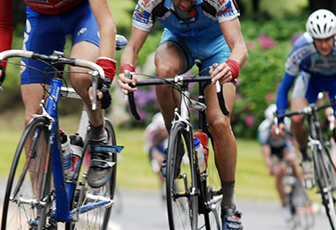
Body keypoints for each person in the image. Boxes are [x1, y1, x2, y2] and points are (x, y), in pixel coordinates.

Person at [117, 0, 248, 229]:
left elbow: (239, 47)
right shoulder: (150, 2)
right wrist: (127, 69)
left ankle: (229, 204)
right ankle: (175, 143)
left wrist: (232, 66)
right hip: (178, 45)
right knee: (164, 71)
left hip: (218, 48)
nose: (184, 3)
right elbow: (132, 48)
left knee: (218, 122)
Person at [0, 0, 117, 190]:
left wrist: (105, 76)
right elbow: (2, 23)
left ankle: (98, 135)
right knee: (32, 117)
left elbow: (106, 24)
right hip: (41, 20)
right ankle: (41, 209)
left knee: (80, 76)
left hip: (83, 14)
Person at [273, 9, 336, 190]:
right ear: (311, 38)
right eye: (319, 40)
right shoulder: (300, 48)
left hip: (334, 82)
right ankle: (305, 156)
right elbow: (285, 87)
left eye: (328, 39)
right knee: (297, 118)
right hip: (310, 82)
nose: (324, 45)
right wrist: (281, 117)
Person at [258, 104, 306, 222]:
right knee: (278, 172)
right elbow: (265, 151)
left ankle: (300, 189)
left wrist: (300, 156)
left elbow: (295, 141)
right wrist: (270, 165)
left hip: (285, 147)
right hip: (273, 150)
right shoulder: (264, 129)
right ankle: (284, 204)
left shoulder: (287, 124)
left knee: (294, 163)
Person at [144, 112, 168, 200]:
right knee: (160, 171)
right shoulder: (152, 132)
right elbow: (151, 148)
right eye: (162, 129)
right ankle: (162, 189)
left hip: (163, 148)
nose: (164, 131)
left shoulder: (167, 132)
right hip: (154, 149)